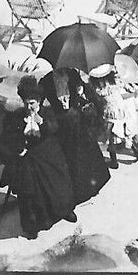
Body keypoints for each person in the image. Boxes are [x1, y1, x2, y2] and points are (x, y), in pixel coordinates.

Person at [0, 71, 78, 239]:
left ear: (39, 101)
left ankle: (65, 210)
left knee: (58, 183)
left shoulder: (47, 113)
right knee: (29, 190)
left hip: (48, 153)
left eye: (32, 103)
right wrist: (19, 148)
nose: (28, 107)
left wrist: (41, 121)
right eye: (25, 103)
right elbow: (8, 137)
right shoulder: (17, 116)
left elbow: (55, 129)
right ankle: (33, 225)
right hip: (27, 157)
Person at [44, 68, 111, 205]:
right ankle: (78, 192)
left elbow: (85, 93)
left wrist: (82, 87)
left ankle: (91, 186)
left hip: (78, 123)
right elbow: (42, 103)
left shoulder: (73, 75)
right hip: (61, 127)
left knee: (86, 156)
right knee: (70, 159)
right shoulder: (46, 81)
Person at [89, 63, 138, 166]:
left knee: (112, 137)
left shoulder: (96, 87)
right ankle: (137, 151)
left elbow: (97, 100)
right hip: (122, 110)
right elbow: (121, 94)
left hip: (110, 113)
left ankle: (114, 161)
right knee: (126, 132)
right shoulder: (114, 82)